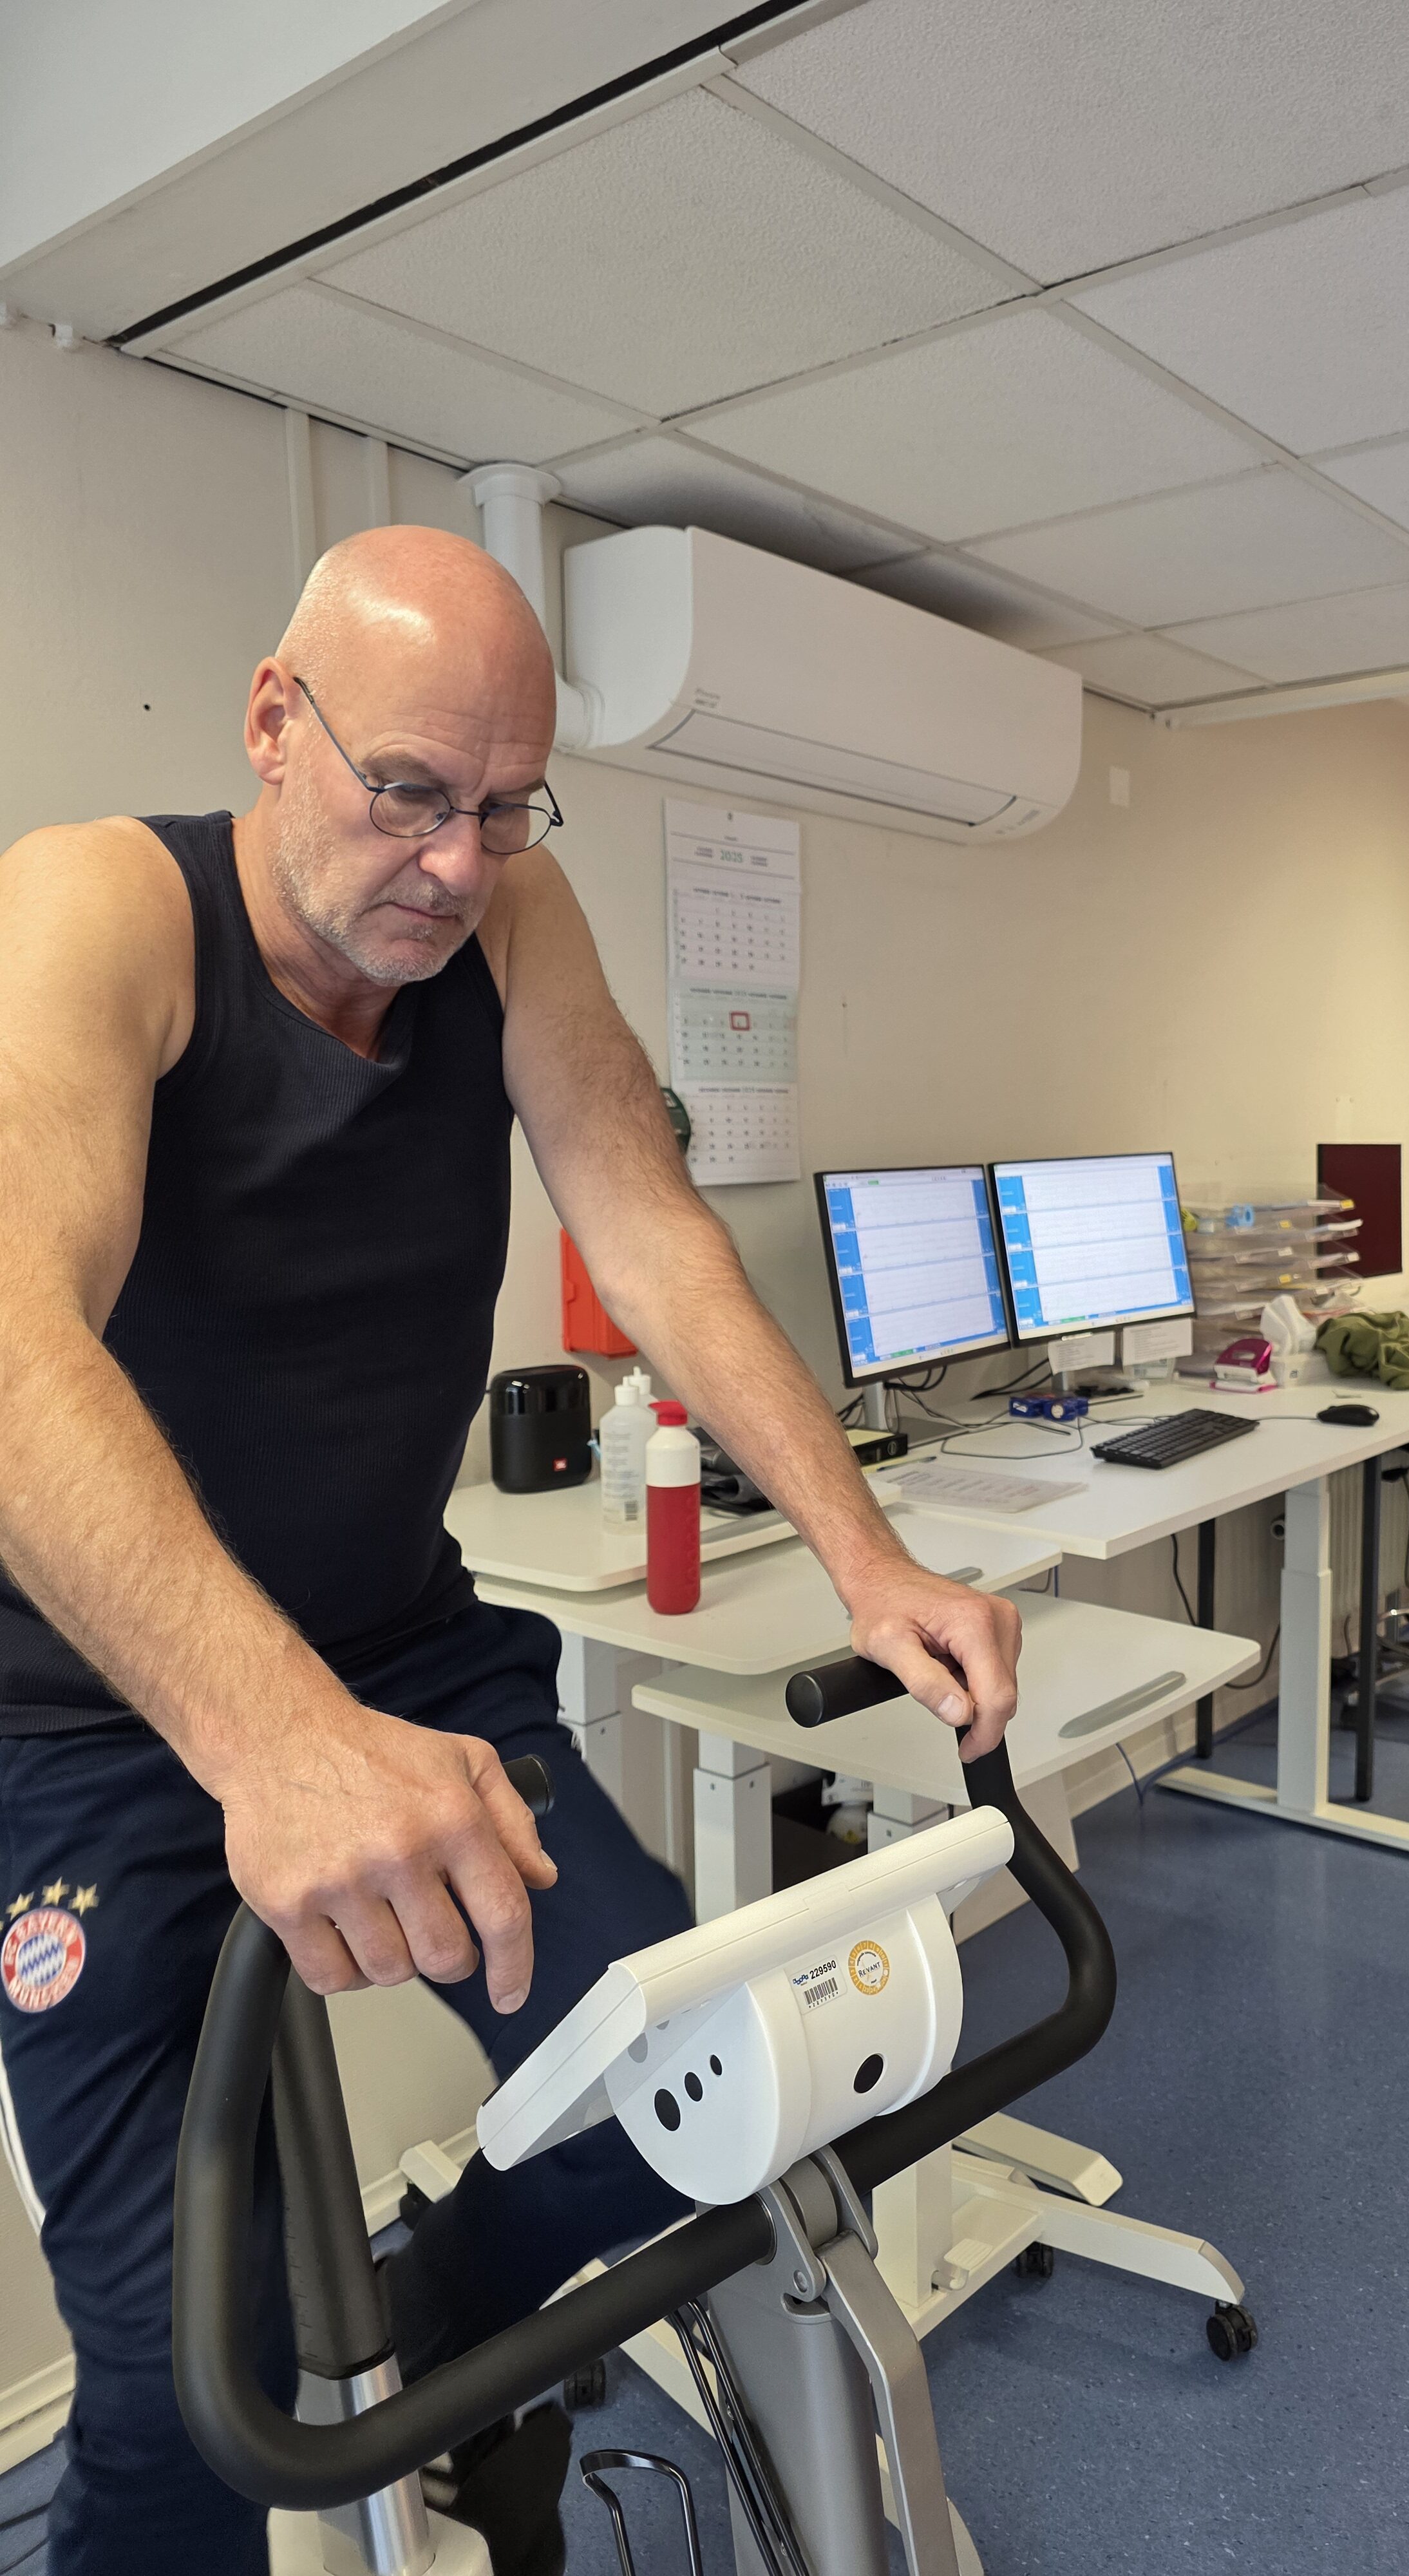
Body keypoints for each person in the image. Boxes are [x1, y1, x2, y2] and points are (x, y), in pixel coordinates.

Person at [0, 525, 1021, 2576]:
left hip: (401, 1641)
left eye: (505, 806)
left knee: (698, 2107)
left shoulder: (509, 922)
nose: (463, 863)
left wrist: (869, 1557)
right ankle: (300, 2365)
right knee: (206, 2406)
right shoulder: (101, 907)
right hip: (88, 1722)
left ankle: (416, 2319)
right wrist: (271, 1743)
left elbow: (643, 1229)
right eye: (410, 794)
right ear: (274, 724)